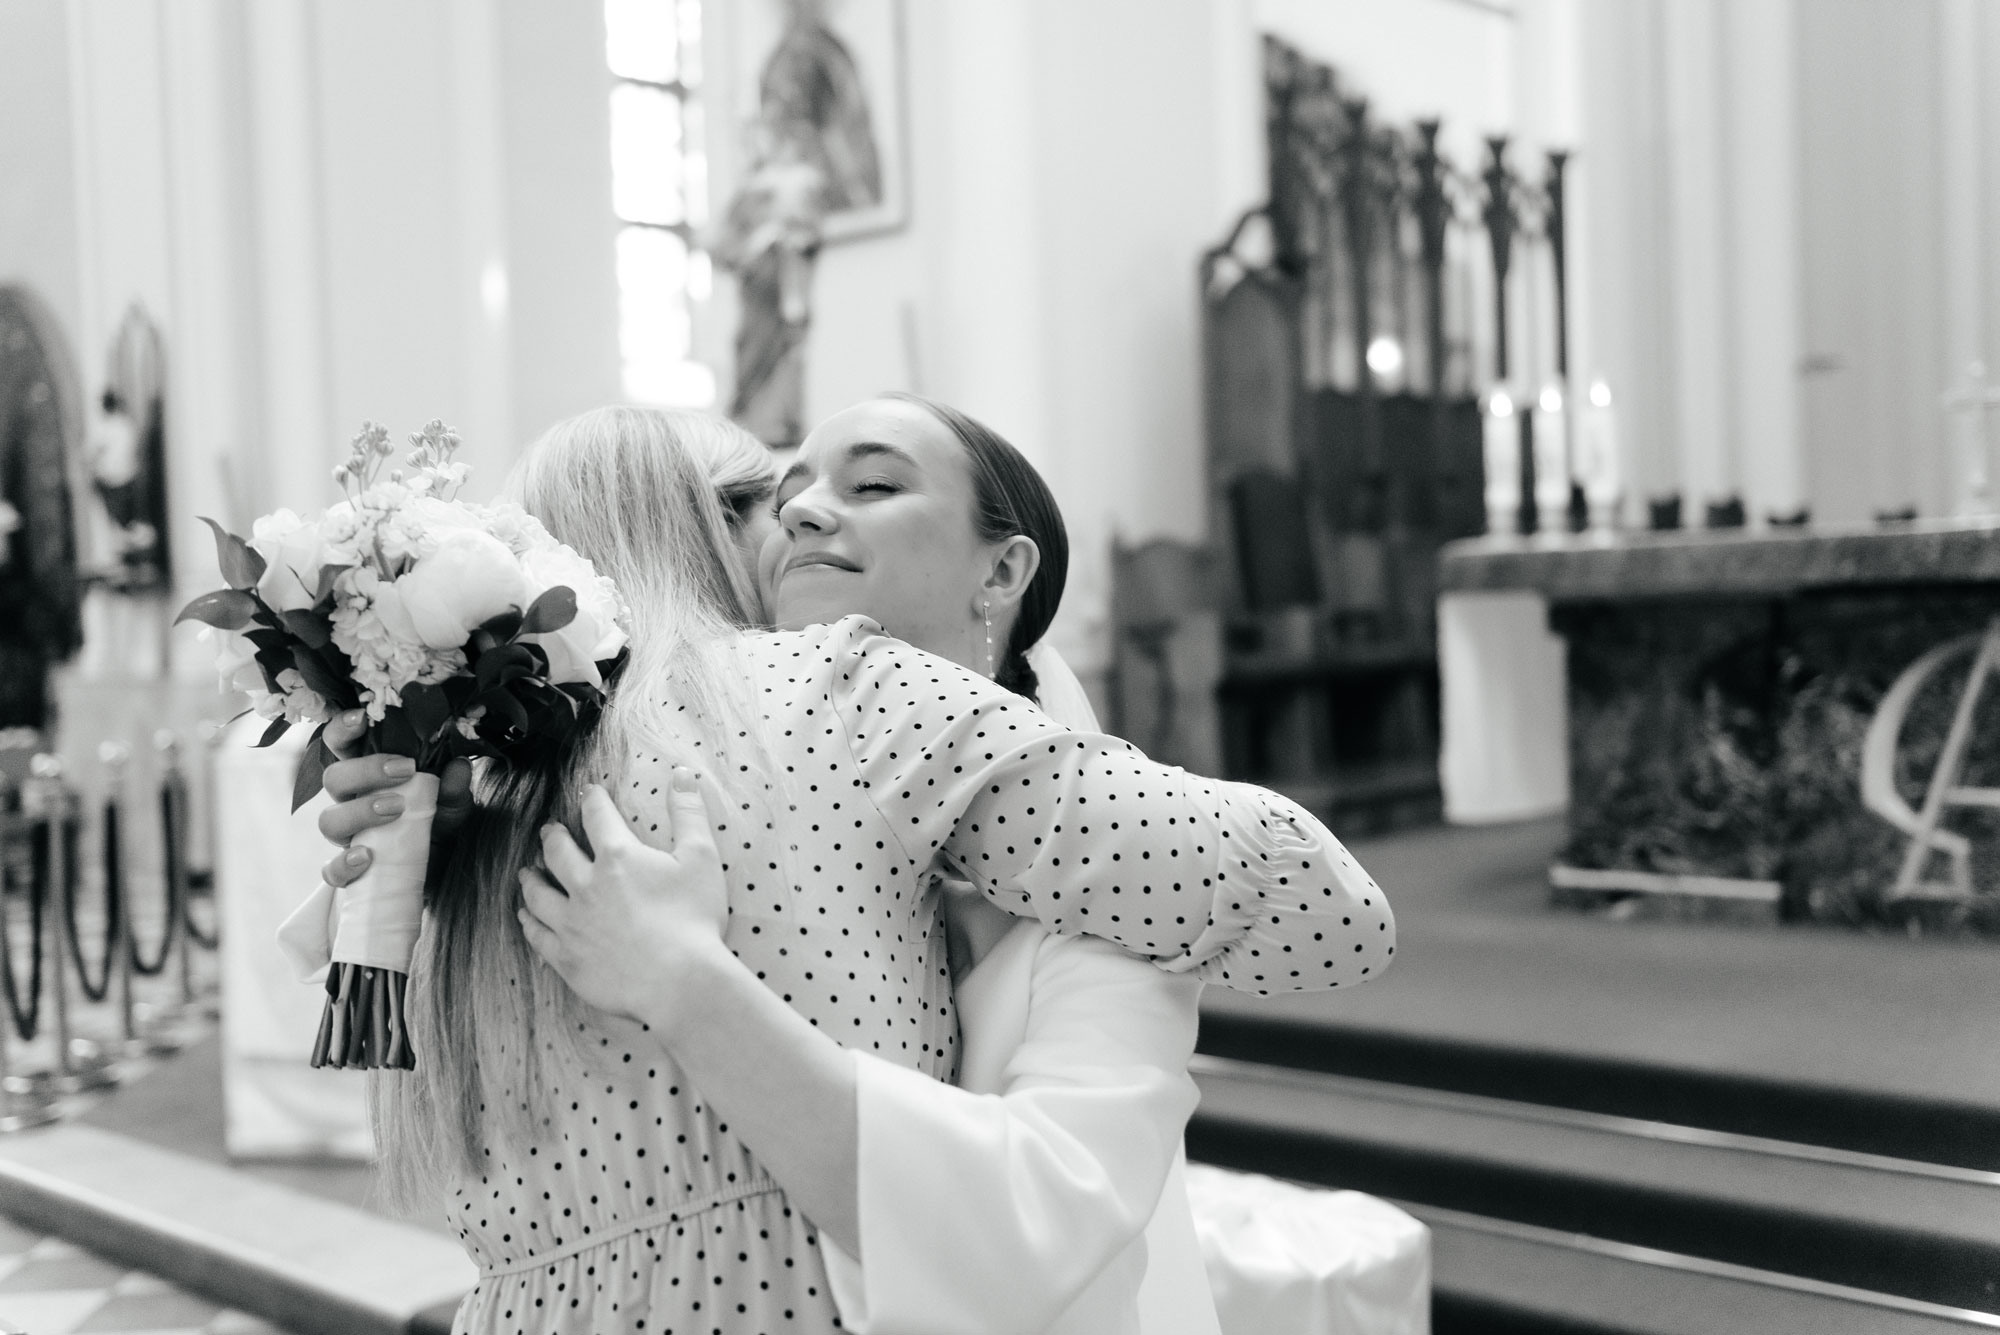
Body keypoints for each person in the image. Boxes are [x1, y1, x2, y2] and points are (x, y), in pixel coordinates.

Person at [318, 402, 1395, 1332]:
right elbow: (1329, 914)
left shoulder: (461, 805)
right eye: (773, 498)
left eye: (865, 483)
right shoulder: (839, 691)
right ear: (704, 525)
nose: (800, 518)